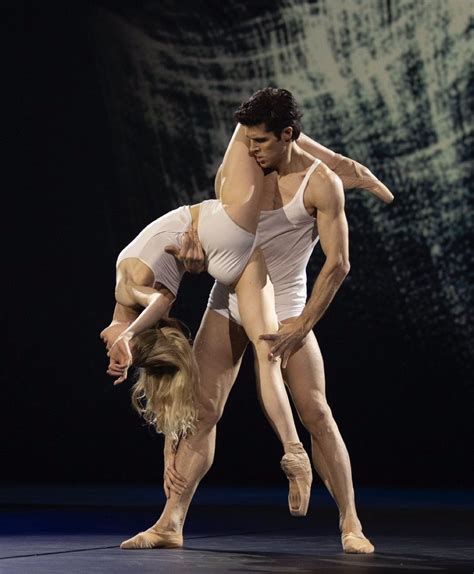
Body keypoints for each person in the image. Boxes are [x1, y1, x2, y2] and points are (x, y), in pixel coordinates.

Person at [130, 88, 393, 555]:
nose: (251, 150)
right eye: (247, 141)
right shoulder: (241, 169)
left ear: (289, 136)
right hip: (229, 298)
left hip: (288, 305)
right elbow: (211, 239)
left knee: (315, 411)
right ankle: (170, 521)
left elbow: (338, 264)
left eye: (262, 143)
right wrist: (193, 261)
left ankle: (351, 523)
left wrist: (304, 324)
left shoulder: (319, 183)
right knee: (200, 411)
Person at [100, 121, 315, 548]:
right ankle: (292, 450)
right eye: (114, 348)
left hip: (225, 252)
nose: (107, 346)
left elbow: (167, 300)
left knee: (236, 380)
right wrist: (128, 337)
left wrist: (131, 338)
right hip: (228, 237)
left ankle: (172, 523)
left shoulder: (140, 295)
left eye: (113, 350)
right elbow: (160, 305)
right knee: (249, 124)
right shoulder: (128, 288)